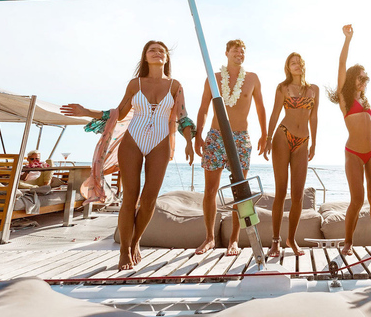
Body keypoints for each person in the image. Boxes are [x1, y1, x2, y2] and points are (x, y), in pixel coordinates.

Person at [61, 41, 195, 270]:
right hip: (132, 141)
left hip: (160, 143)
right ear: (145, 57)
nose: (157, 52)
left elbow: (183, 116)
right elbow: (119, 113)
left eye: (161, 50)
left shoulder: (175, 85)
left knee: (150, 199)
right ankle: (124, 250)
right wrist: (86, 112)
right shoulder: (135, 84)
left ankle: (135, 241)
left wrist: (189, 142)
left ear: (166, 59)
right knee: (130, 198)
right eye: (152, 50)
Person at [193, 39, 267, 256]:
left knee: (241, 193)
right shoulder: (214, 79)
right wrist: (198, 134)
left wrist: (265, 134)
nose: (239, 54)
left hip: (241, 138)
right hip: (216, 137)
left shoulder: (252, 78)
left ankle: (234, 240)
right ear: (226, 53)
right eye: (235, 50)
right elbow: (204, 108)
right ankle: (209, 238)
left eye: (243, 51)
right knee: (210, 190)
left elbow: (261, 107)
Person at [328, 25, 371, 255]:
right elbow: (341, 65)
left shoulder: (366, 102)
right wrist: (348, 39)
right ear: (353, 78)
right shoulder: (344, 100)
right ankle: (347, 242)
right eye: (361, 76)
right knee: (356, 200)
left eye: (367, 77)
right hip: (354, 153)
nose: (365, 80)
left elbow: (366, 129)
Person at [263, 52, 319, 257]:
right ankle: (275, 242)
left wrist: (314, 142)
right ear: (288, 67)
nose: (296, 65)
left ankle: (291, 239)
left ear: (303, 66)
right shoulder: (283, 88)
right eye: (292, 63)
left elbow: (314, 117)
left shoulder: (314, 90)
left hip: (303, 142)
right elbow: (275, 113)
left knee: (298, 195)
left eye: (299, 63)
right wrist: (268, 139)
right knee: (280, 191)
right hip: (282, 137)